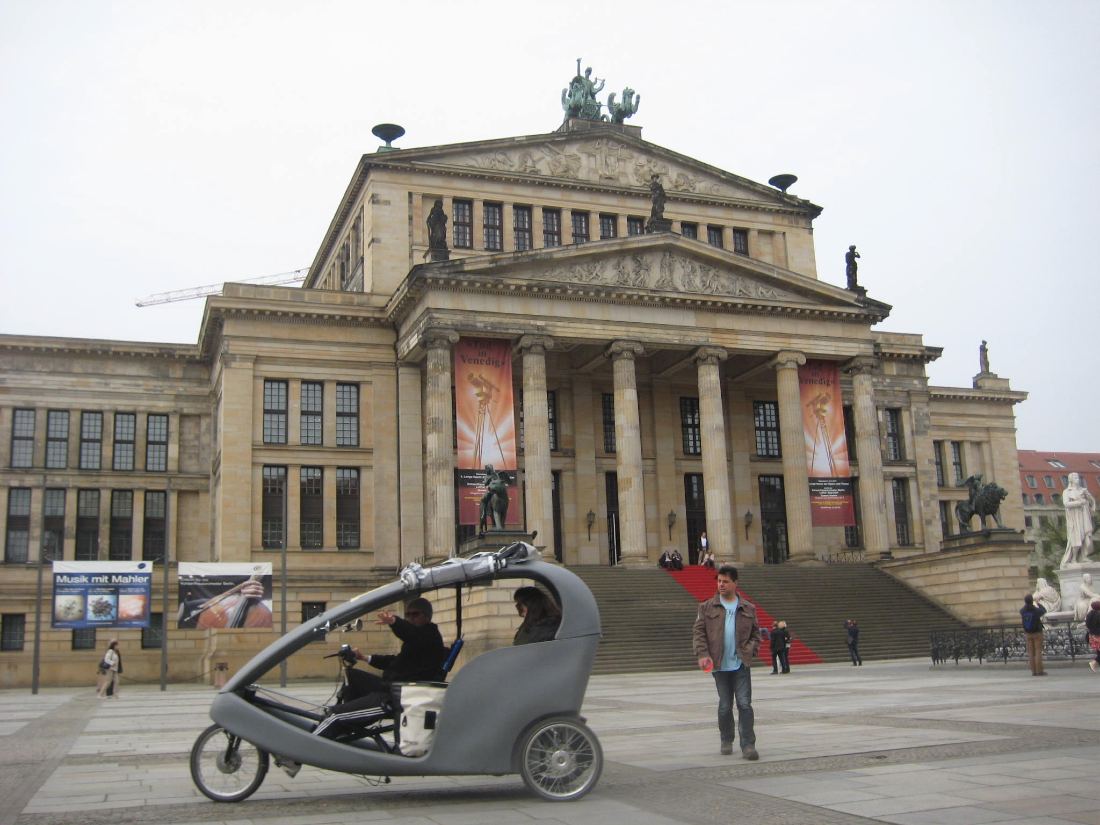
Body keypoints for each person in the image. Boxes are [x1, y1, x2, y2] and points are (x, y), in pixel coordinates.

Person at [692, 565, 760, 760]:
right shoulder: (706, 607)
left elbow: (756, 633)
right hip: (719, 663)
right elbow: (698, 632)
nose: (721, 584)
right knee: (724, 705)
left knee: (745, 704)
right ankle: (726, 738)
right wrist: (702, 654)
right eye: (719, 581)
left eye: (725, 581)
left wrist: (751, 649)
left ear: (735, 583)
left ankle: (748, 745)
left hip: (740, 663)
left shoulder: (748, 607)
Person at [1060, 473, 1096, 566]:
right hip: (1074, 518)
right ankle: (1074, 558)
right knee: (1076, 537)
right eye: (1075, 477)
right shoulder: (1067, 491)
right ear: (1070, 480)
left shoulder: (1083, 490)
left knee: (1087, 535)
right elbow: (1066, 504)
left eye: (1078, 477)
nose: (1078, 479)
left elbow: (1092, 500)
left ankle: (1084, 556)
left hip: (1084, 516)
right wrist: (1079, 503)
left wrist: (1092, 508)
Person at [1020, 593, 1047, 676]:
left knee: (1031, 653)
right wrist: (1038, 602)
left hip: (1028, 633)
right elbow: (1043, 610)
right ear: (1032, 601)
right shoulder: (1035, 610)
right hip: (1037, 633)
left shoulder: (1022, 611)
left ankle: (1033, 671)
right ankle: (1039, 671)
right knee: (1038, 651)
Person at [1085, 599, 1100, 673]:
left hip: (1092, 636)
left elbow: (1087, 625)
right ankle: (1093, 663)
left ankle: (1094, 664)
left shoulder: (1089, 614)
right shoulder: (1098, 615)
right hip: (1098, 636)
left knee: (1099, 651)